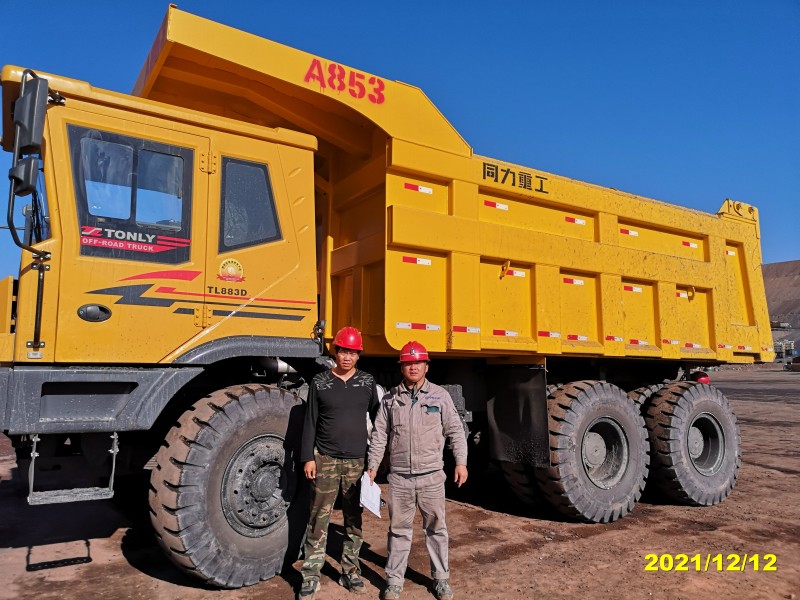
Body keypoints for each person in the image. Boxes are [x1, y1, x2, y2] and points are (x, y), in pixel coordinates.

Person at [367, 341, 468, 600]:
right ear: (401, 367)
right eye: (408, 363)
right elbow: (379, 436)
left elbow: (455, 431)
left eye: (418, 362)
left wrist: (461, 462)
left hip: (432, 477)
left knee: (436, 529)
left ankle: (441, 579)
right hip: (400, 479)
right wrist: (372, 466)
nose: (413, 367)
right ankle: (394, 581)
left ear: (426, 366)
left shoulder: (440, 396)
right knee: (398, 531)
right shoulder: (390, 400)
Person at [298, 326, 380, 599]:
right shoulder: (320, 382)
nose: (347, 357)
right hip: (325, 459)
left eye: (353, 353)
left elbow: (378, 420)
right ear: (335, 352)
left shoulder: (366, 382)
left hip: (357, 462)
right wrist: (308, 457)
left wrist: (375, 460)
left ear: (359, 355)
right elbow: (310, 421)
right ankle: (311, 575)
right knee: (318, 519)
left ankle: (350, 572)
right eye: (343, 351)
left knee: (353, 520)